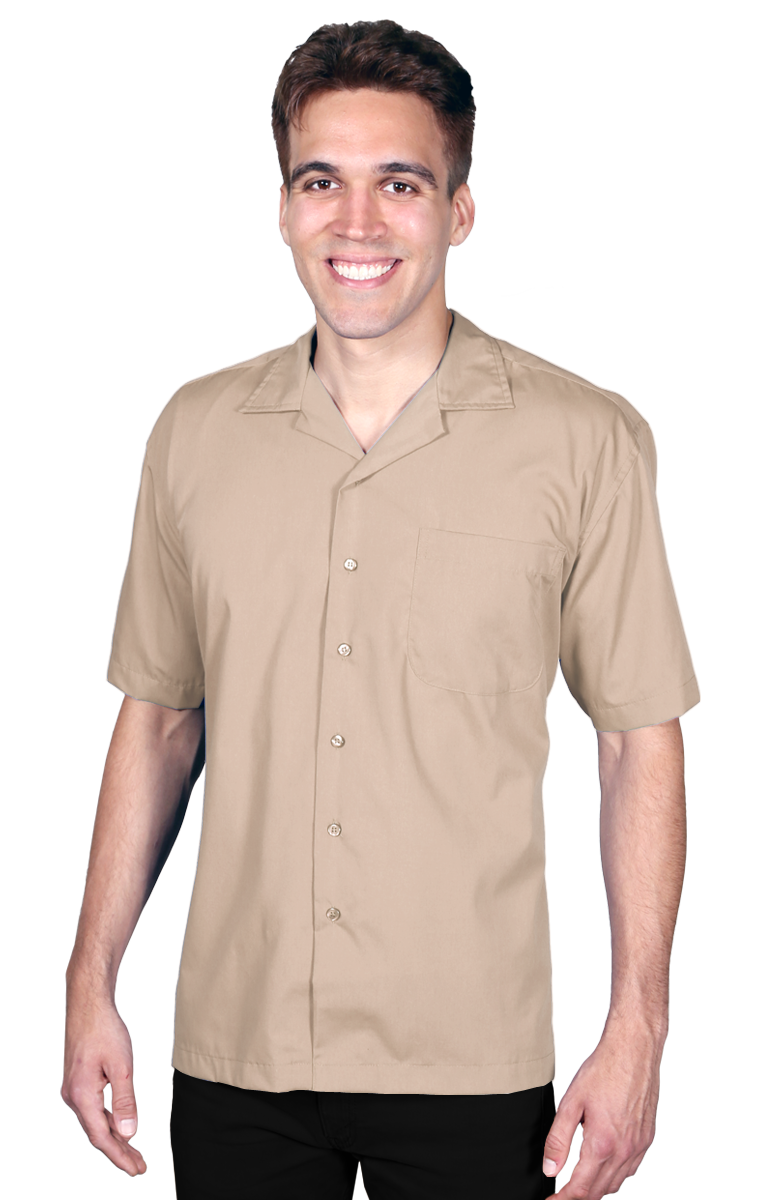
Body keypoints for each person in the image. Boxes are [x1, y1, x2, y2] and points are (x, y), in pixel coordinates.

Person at [62, 20, 700, 1200]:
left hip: (474, 1063)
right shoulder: (195, 437)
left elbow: (635, 741)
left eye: (398, 184)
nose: (356, 223)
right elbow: (157, 720)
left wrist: (635, 1030)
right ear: (284, 209)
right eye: (322, 182)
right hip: (236, 1055)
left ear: (459, 213)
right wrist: (90, 984)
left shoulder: (582, 442)